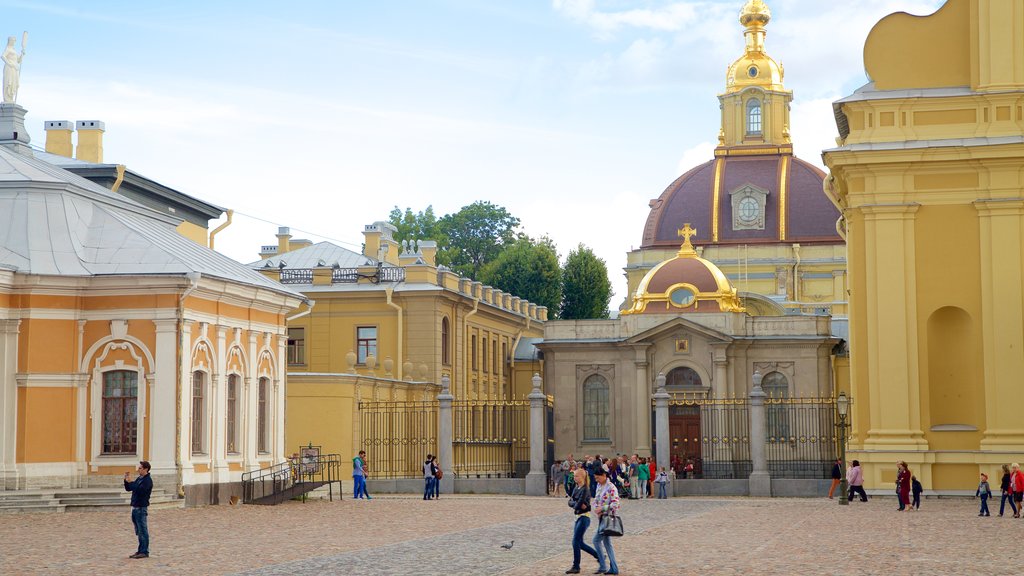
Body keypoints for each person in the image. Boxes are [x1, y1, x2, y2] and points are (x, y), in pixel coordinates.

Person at [565, 468, 600, 574]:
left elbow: (578, 504)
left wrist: (576, 504)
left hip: (584, 517)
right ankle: (599, 556)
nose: (574, 478)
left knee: (575, 541)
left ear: (582, 477)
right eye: (574, 476)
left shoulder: (585, 489)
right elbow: (570, 502)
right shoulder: (576, 488)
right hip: (578, 516)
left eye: (576, 476)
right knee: (579, 542)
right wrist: (575, 503)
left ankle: (576, 566)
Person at [592, 468, 620, 575]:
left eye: (598, 477)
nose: (596, 480)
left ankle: (603, 565)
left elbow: (616, 504)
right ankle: (614, 568)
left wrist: (602, 508)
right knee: (607, 543)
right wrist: (596, 508)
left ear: (604, 475)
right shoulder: (599, 486)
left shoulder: (611, 487)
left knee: (596, 540)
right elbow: (596, 499)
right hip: (601, 518)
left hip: (608, 518)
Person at [123, 460, 153, 559]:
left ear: (146, 469)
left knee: (143, 530)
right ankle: (140, 550)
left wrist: (131, 482)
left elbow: (140, 491)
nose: (138, 470)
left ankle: (144, 551)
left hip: (141, 508)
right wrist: (126, 481)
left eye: (140, 468)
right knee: (139, 530)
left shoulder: (147, 481)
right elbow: (130, 488)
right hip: (135, 507)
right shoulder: (140, 478)